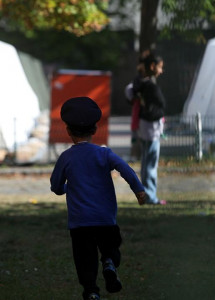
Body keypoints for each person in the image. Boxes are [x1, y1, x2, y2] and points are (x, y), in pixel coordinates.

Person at [50, 96, 146, 300]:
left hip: (79, 223)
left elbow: (56, 186)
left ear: (68, 131)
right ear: (94, 131)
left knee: (85, 260)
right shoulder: (104, 154)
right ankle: (110, 262)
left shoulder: (66, 158)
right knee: (111, 246)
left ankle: (91, 291)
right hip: (105, 219)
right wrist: (138, 190)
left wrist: (66, 188)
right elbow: (125, 168)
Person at [134, 52, 167, 205]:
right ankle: (150, 196)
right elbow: (158, 107)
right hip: (151, 129)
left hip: (146, 128)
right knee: (150, 164)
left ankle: (146, 194)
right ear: (152, 67)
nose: (161, 71)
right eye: (160, 68)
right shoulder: (149, 86)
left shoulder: (140, 84)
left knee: (146, 162)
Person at [124, 50, 150, 161]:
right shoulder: (141, 79)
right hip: (142, 113)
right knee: (142, 139)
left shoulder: (142, 78)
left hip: (143, 112)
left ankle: (137, 156)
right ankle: (136, 155)